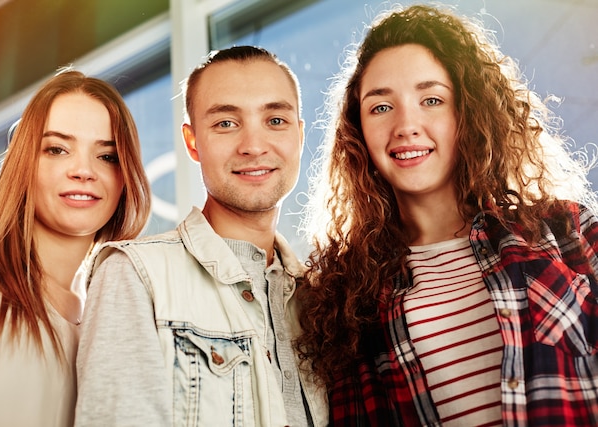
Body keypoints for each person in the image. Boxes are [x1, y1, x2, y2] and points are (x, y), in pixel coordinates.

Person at [295, 4, 598, 427]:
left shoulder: (571, 234)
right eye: (381, 107)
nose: (406, 125)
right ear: (357, 129)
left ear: (468, 112)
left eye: (431, 99)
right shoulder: (346, 303)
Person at [75, 46, 328, 426]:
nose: (254, 146)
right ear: (193, 143)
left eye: (275, 120)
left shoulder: (321, 298)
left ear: (300, 134)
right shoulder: (136, 275)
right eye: (226, 123)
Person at [0, 69, 151, 427]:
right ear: (26, 161)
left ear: (125, 178)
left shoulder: (117, 321)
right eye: (57, 149)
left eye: (107, 156)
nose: (83, 171)